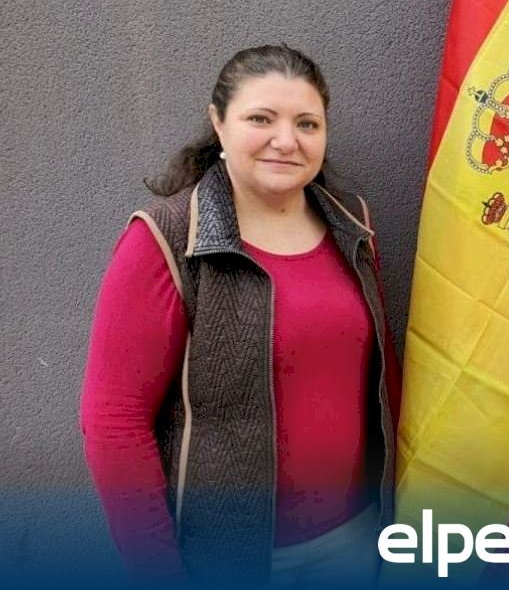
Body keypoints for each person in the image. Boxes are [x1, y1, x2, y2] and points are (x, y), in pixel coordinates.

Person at [80, 44, 400, 588]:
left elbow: (383, 373)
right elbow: (114, 420)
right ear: (219, 123)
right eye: (261, 119)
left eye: (307, 123)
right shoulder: (165, 238)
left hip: (353, 541)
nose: (286, 140)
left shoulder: (352, 224)